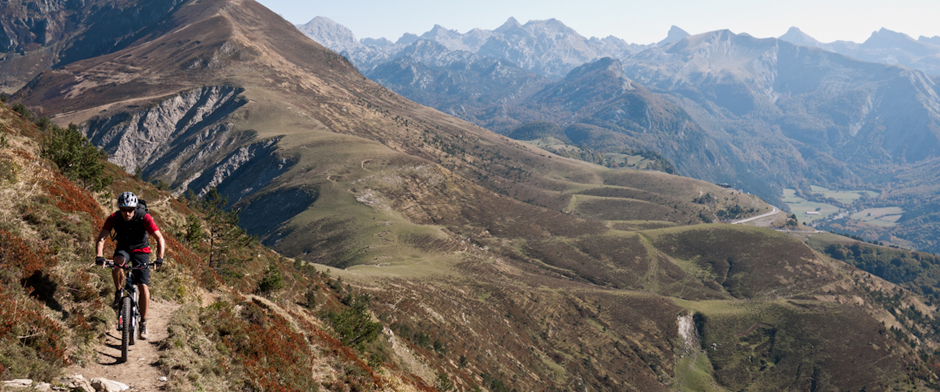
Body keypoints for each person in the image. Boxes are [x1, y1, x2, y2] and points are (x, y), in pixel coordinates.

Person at [94, 191, 165, 340]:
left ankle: (143, 323)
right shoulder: (114, 218)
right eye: (124, 210)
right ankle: (118, 291)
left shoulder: (144, 217)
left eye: (131, 210)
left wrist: (159, 258)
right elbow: (102, 238)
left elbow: (159, 238)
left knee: (143, 286)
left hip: (141, 250)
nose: (127, 213)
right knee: (117, 262)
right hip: (124, 248)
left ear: (135, 208)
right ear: (120, 208)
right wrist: (99, 256)